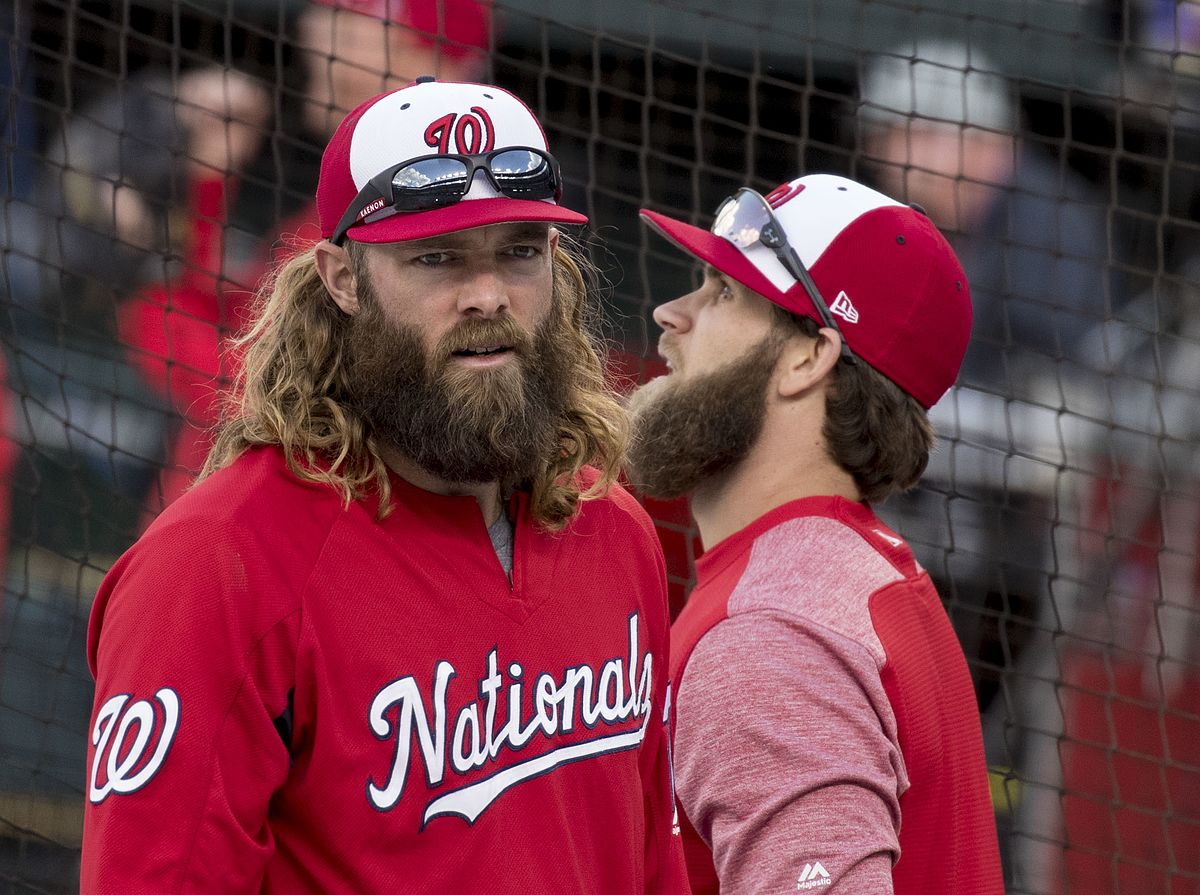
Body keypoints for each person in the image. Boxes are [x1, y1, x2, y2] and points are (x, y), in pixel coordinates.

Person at [82, 78, 687, 893]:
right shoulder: (217, 563)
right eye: (435, 257)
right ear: (340, 277)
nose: (487, 294)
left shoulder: (614, 528)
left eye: (520, 250)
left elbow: (650, 868)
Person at [626, 173, 1004, 894]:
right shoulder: (865, 572)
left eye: (724, 292)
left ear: (809, 356)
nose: (671, 312)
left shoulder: (771, 640)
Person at [120, 0, 491, 512]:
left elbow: (262, 392)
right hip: (222, 520)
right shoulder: (338, 209)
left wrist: (149, 304)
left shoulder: (416, 222)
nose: (316, 31)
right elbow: (240, 323)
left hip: (287, 538)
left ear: (430, 60)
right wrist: (209, 182)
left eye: (348, 21)